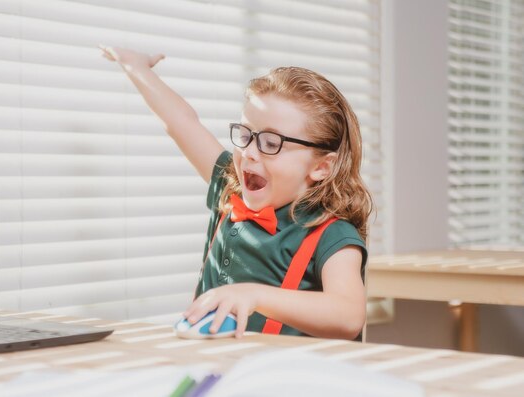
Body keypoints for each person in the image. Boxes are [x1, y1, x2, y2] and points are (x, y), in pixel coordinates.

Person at [100, 46, 373, 340]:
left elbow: (348, 315)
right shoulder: (230, 188)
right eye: (245, 135)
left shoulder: (331, 233)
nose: (249, 153)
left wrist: (254, 295)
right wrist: (135, 67)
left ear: (321, 166)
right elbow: (181, 122)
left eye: (271, 142)